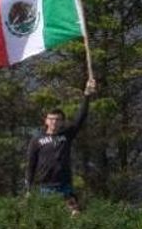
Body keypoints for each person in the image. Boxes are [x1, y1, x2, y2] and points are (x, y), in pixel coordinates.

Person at [26, 78, 98, 215]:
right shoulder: (37, 139)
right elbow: (31, 164)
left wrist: (87, 95)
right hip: (44, 187)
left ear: (62, 122)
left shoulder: (66, 135)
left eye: (58, 119)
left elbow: (80, 118)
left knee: (74, 215)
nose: (54, 122)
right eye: (51, 119)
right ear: (46, 120)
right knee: (47, 218)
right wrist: (28, 188)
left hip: (64, 185)